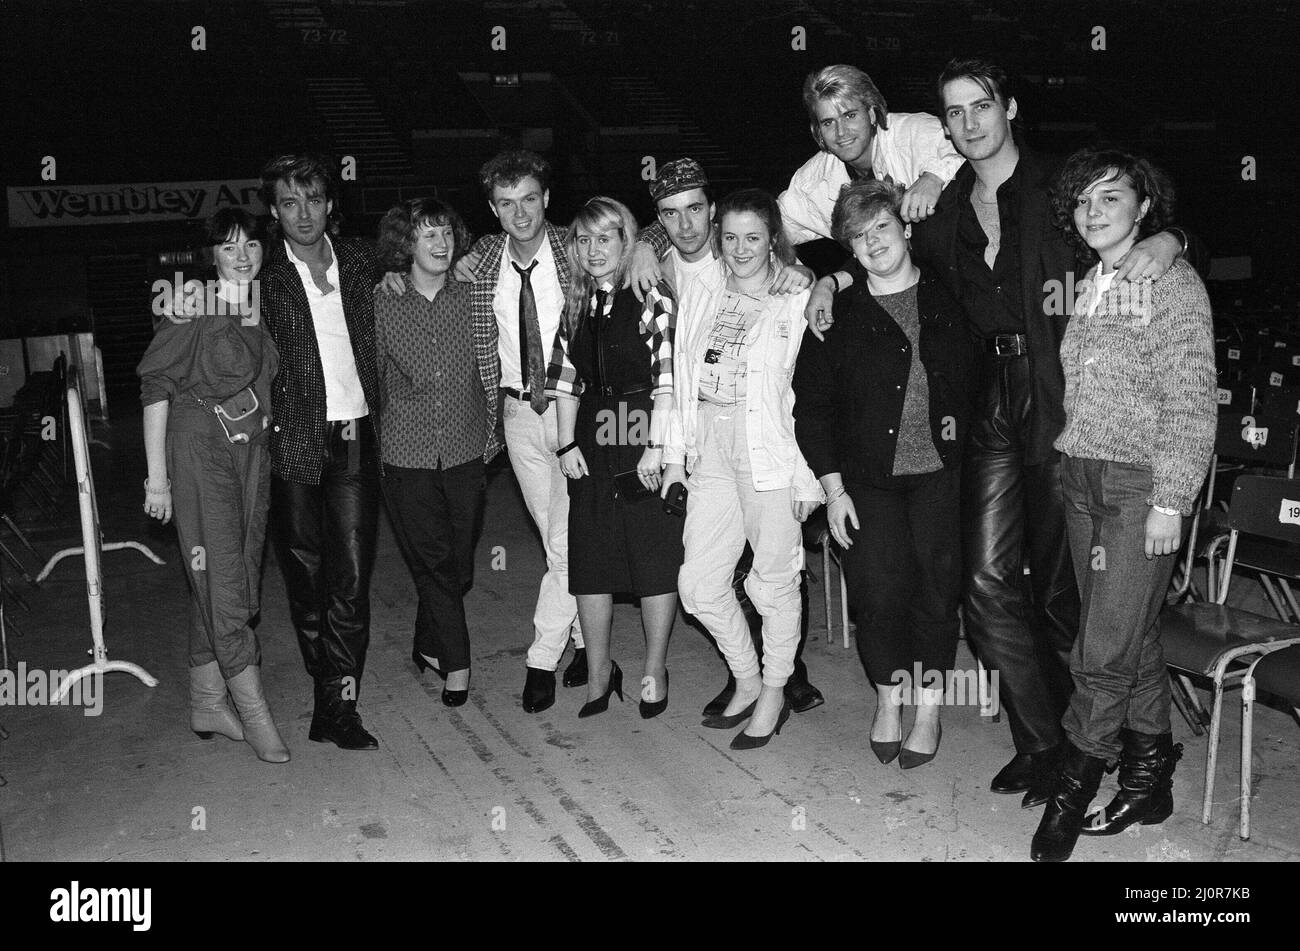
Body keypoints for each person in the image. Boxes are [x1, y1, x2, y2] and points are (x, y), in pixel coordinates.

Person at [804, 58, 1196, 806]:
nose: (969, 122)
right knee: (984, 584)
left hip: (1064, 398)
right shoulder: (945, 204)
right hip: (991, 403)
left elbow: (1146, 223)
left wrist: (1169, 240)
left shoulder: (1059, 187)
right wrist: (835, 276)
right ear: (942, 127)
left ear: (1008, 107)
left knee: (1059, 591)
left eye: (981, 106)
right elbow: (887, 256)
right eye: (953, 113)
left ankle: (1107, 745)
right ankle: (1045, 742)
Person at [1031, 147, 1215, 862]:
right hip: (1083, 481)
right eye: (1083, 201)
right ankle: (1148, 775)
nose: (1094, 211)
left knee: (1099, 653)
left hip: (1141, 487)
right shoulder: (1095, 281)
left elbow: (1192, 400)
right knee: (1131, 637)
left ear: (1145, 208)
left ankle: (1071, 795)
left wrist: (1171, 498)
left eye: (1112, 197)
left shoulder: (1169, 280)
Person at [793, 180, 973, 768]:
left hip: (941, 475)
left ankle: (927, 708)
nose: (874, 242)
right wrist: (833, 488)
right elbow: (811, 406)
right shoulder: (834, 313)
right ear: (848, 247)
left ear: (906, 230)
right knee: (877, 593)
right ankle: (888, 700)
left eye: (883, 228)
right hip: (867, 482)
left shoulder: (951, 294)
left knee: (935, 592)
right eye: (859, 235)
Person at [640, 158, 827, 718]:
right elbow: (681, 381)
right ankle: (747, 676)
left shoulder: (797, 297)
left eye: (754, 238)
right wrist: (673, 456)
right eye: (732, 238)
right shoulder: (704, 287)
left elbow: (812, 396)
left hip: (770, 450)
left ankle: (774, 691)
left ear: (774, 240)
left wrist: (808, 475)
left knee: (773, 583)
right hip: (709, 448)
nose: (741, 248)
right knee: (698, 584)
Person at [138, 207, 288, 764]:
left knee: (237, 570)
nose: (243, 255)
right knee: (224, 577)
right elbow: (156, 387)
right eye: (229, 247)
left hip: (250, 452)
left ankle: (206, 701)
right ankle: (255, 714)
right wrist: (158, 480)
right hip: (199, 449)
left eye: (251, 244)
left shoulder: (256, 303)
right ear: (211, 255)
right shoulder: (191, 304)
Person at [259, 153, 383, 751]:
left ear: (330, 204)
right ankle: (326, 694)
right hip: (292, 442)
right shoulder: (261, 278)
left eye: (312, 200)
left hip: (356, 436)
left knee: (352, 579)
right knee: (306, 579)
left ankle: (341, 704)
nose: (302, 214)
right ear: (274, 211)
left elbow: (433, 247)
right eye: (289, 202)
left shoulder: (361, 260)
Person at [547, 197, 683, 718]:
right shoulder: (576, 303)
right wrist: (565, 444)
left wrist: (657, 446)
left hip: (641, 428)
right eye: (584, 240)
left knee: (652, 554)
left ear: (627, 242)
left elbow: (667, 379)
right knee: (591, 555)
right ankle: (599, 670)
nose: (594, 249)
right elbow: (563, 383)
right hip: (589, 438)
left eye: (606, 238)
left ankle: (654, 668)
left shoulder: (652, 296)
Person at [463, 149, 585, 713]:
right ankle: (589, 642)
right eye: (507, 203)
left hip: (575, 412)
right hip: (515, 415)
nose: (520, 213)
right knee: (555, 540)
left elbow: (649, 233)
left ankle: (541, 659)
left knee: (566, 542)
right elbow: (413, 258)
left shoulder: (576, 247)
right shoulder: (483, 259)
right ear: (492, 208)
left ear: (547, 200)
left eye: (530, 199)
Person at [373, 198, 500, 708]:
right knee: (435, 565)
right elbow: (373, 378)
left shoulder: (473, 294)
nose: (441, 243)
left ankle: (427, 641)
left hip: (469, 448)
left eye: (446, 232)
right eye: (427, 235)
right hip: (406, 454)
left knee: (460, 567)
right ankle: (458, 665)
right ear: (406, 245)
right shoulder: (382, 303)